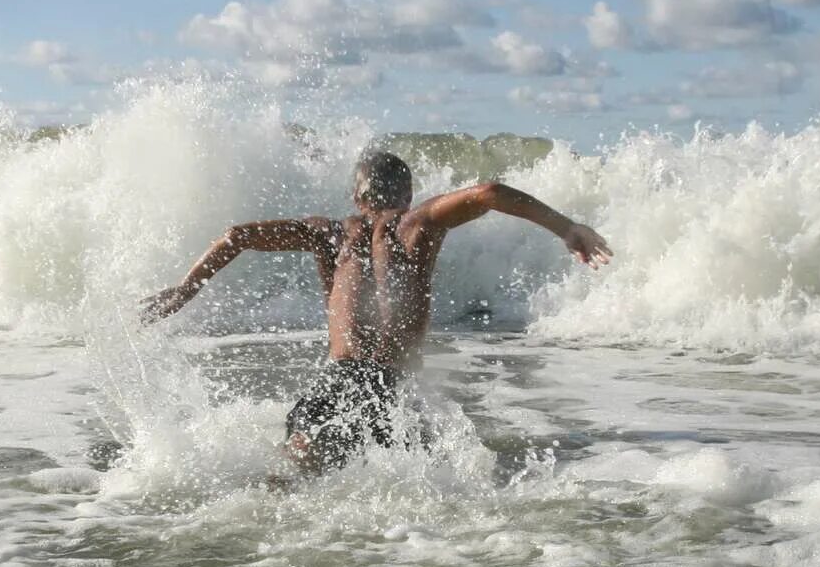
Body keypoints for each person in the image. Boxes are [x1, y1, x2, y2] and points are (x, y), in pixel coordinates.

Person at [141, 150, 609, 474]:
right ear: (406, 195)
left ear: (356, 197)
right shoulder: (416, 224)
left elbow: (235, 235)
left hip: (336, 379)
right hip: (391, 386)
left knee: (298, 466)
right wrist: (568, 228)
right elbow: (488, 191)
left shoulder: (328, 233)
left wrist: (186, 289)